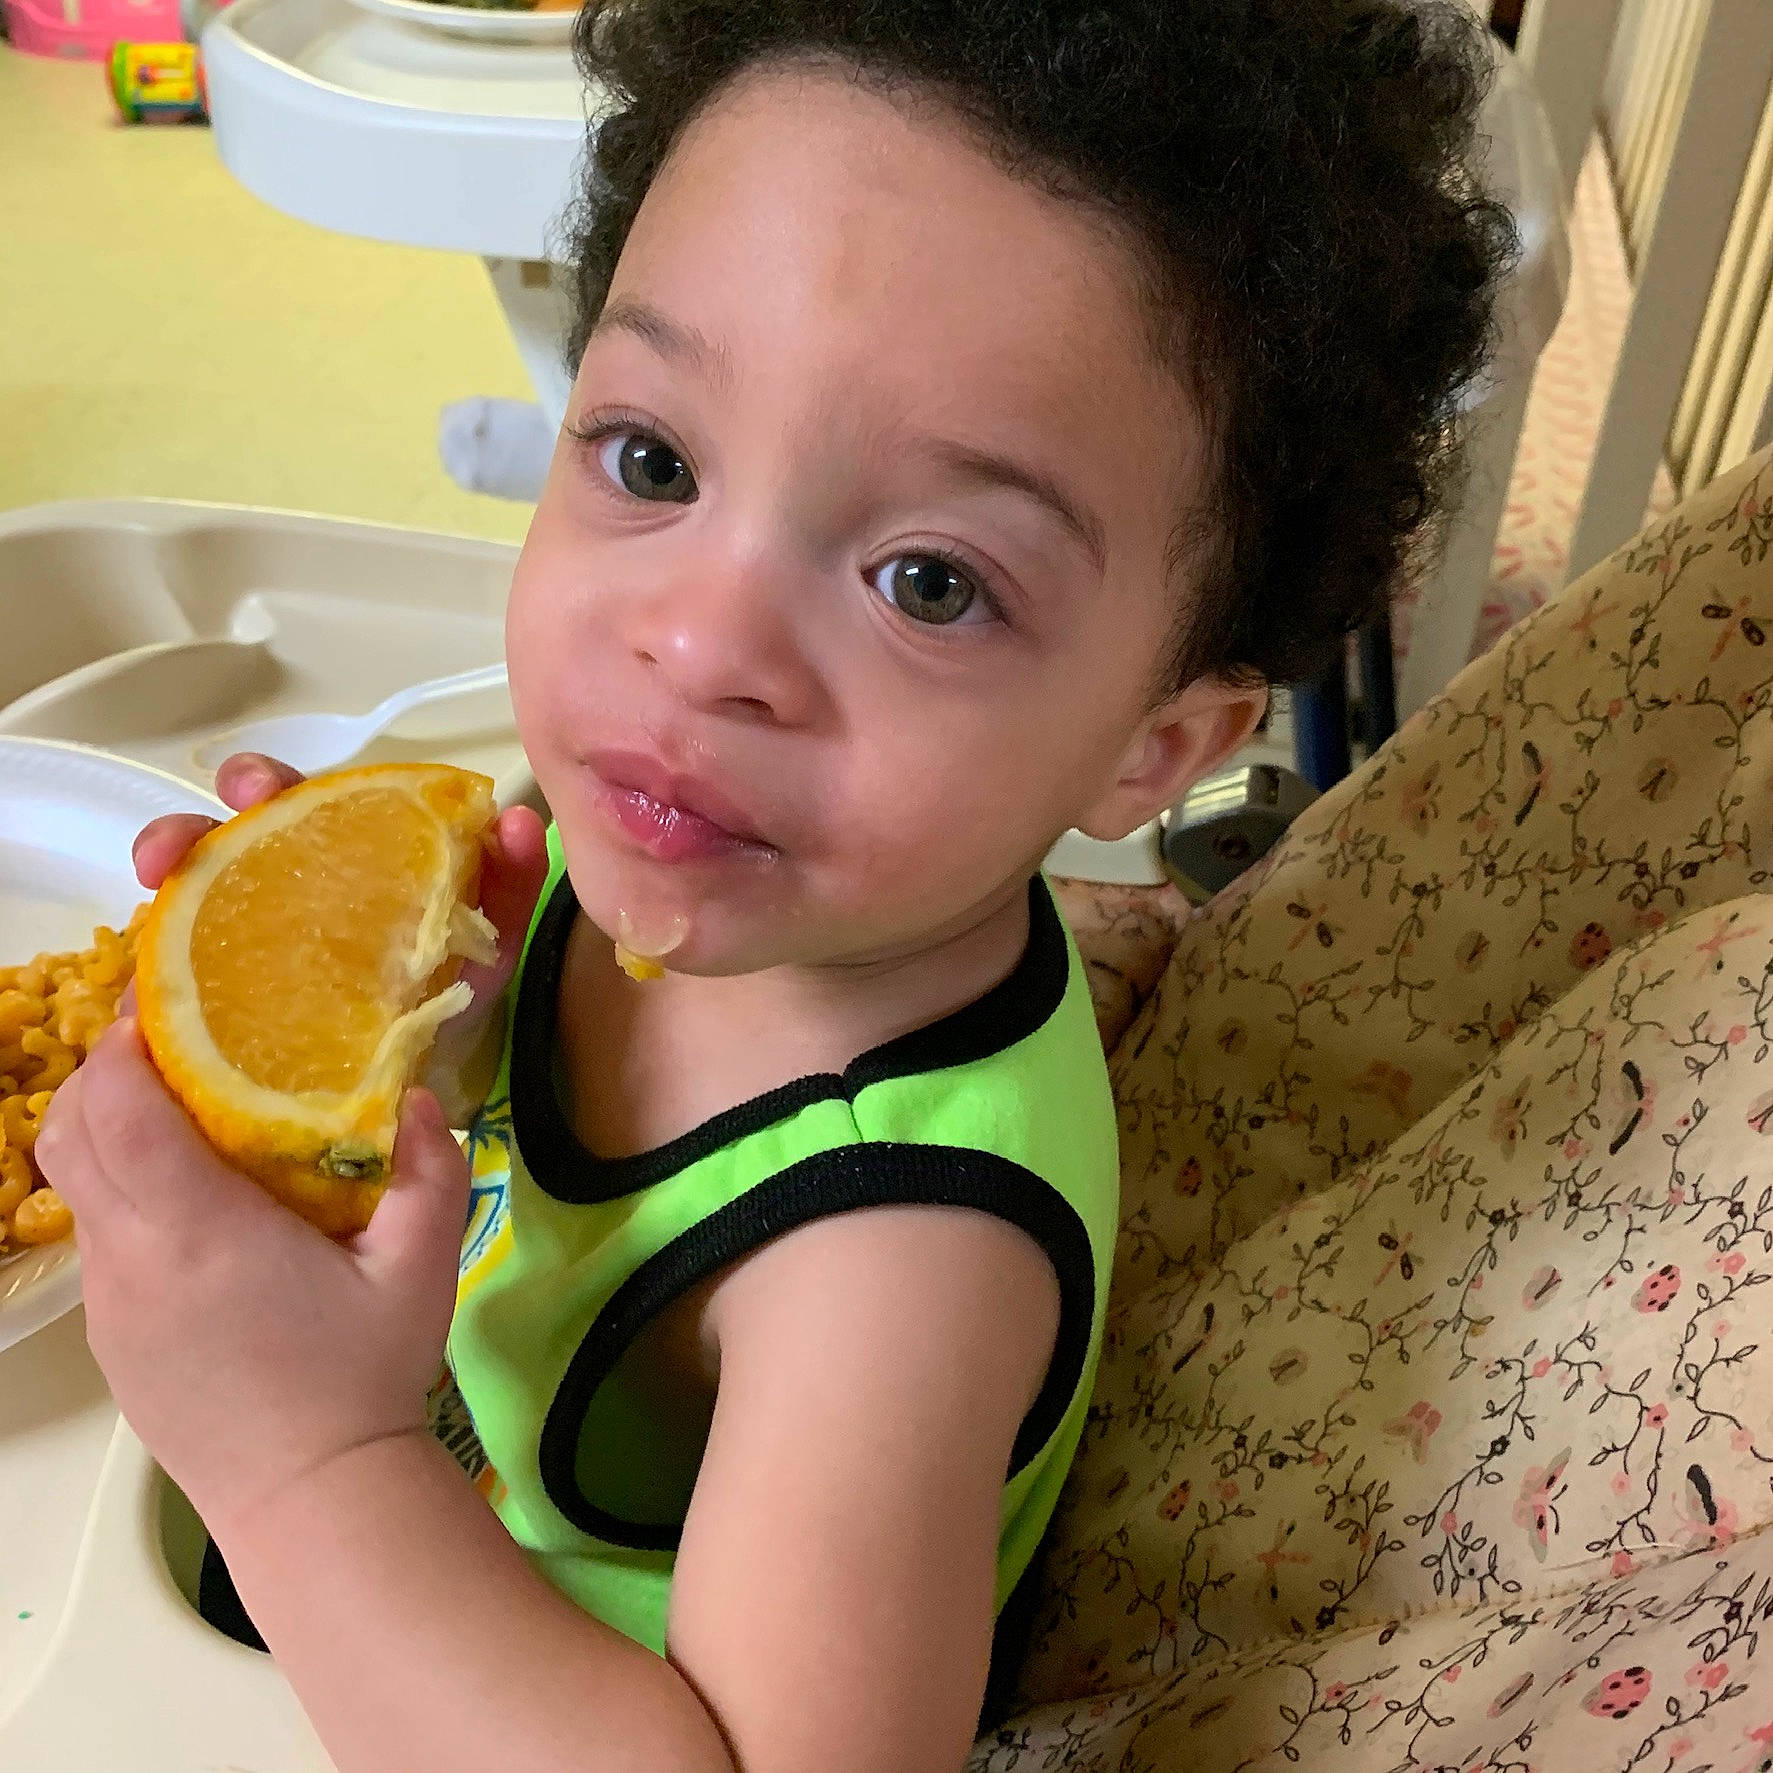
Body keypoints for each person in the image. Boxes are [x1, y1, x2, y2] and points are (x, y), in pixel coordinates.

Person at [35, 3, 1511, 1767]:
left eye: (929, 582)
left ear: (1154, 744)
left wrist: (299, 1458)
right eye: (654, 462)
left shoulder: (893, 1256)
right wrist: (382, 1031)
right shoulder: (686, 846)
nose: (699, 639)